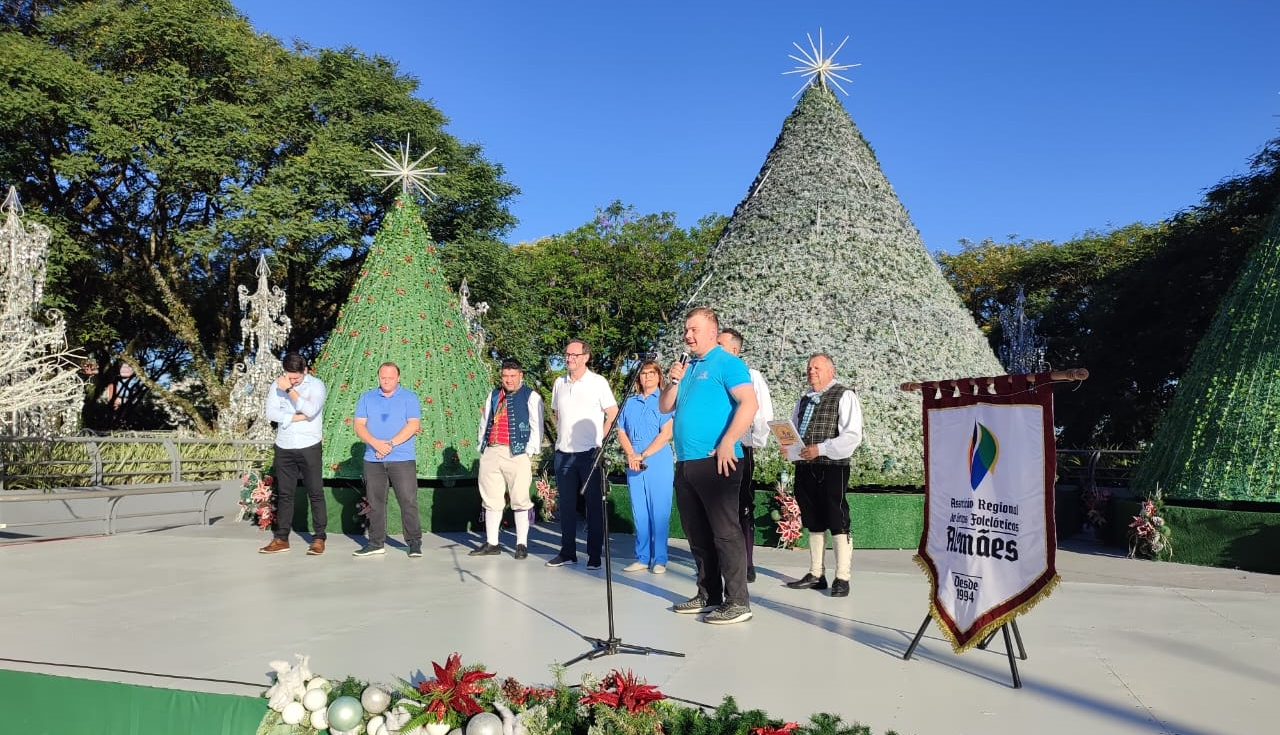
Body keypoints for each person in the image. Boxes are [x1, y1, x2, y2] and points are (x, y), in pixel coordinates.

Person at [660, 307, 758, 625]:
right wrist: (672, 380)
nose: (688, 335)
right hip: (687, 462)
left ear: (713, 332)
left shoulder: (728, 363)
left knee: (725, 533)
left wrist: (729, 440)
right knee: (697, 533)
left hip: (717, 460)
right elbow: (665, 406)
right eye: (686, 330)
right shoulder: (687, 367)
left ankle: (738, 601)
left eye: (694, 329)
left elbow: (749, 402)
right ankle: (709, 594)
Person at [779, 353, 864, 598]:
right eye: (809, 367)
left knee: (837, 518)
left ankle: (843, 577)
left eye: (817, 367)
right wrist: (789, 447)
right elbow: (795, 431)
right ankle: (816, 573)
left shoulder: (844, 395)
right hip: (806, 467)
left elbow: (852, 436)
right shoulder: (803, 399)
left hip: (832, 466)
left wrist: (822, 448)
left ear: (830, 370)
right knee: (812, 519)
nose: (811, 371)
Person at [547, 339, 618, 569]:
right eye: (567, 354)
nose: (569, 358)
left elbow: (613, 412)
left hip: (589, 454)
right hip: (564, 453)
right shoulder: (560, 383)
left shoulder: (598, 382)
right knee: (566, 506)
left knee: (593, 506)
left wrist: (600, 441)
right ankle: (568, 551)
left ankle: (594, 555)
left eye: (574, 355)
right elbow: (557, 413)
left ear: (585, 357)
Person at [716, 328, 774, 583]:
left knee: (742, 506)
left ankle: (746, 563)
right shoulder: (709, 372)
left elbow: (761, 414)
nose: (715, 348)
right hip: (711, 448)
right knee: (716, 507)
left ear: (735, 350)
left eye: (721, 345)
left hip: (739, 448)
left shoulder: (751, 376)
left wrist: (748, 442)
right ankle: (719, 561)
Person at [472, 358, 545, 559]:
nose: (509, 380)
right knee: (491, 498)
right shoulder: (494, 395)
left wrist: (529, 451)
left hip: (517, 452)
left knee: (520, 498)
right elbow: (485, 421)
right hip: (492, 450)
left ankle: (521, 544)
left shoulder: (531, 396)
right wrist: (482, 446)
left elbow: (537, 425)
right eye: (505, 376)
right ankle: (492, 543)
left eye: (513, 376)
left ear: (521, 375)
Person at [258, 353, 328, 555]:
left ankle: (319, 538)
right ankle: (281, 538)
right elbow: (271, 413)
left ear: (305, 371)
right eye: (288, 377)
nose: (292, 381)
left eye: (296, 378)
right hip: (284, 445)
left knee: (315, 492)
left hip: (309, 444)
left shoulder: (316, 386)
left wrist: (289, 391)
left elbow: (311, 409)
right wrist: (295, 418)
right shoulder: (276, 385)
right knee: (285, 494)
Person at [352, 362, 423, 558]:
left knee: (408, 500)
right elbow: (359, 425)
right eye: (383, 377)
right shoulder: (367, 397)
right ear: (378, 377)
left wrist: (390, 444)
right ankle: (375, 543)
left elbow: (413, 425)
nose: (387, 381)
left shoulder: (409, 397)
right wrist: (376, 443)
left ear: (398, 378)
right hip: (372, 459)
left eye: (391, 377)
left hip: (402, 459)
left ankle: (414, 542)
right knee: (375, 503)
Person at [616, 359, 675, 574]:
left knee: (658, 510)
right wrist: (632, 454)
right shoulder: (629, 402)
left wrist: (644, 454)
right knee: (639, 510)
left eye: (652, 372)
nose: (647, 376)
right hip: (634, 462)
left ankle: (659, 559)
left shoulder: (664, 402)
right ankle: (642, 556)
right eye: (643, 373)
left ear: (659, 376)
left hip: (657, 460)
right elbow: (621, 430)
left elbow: (666, 433)